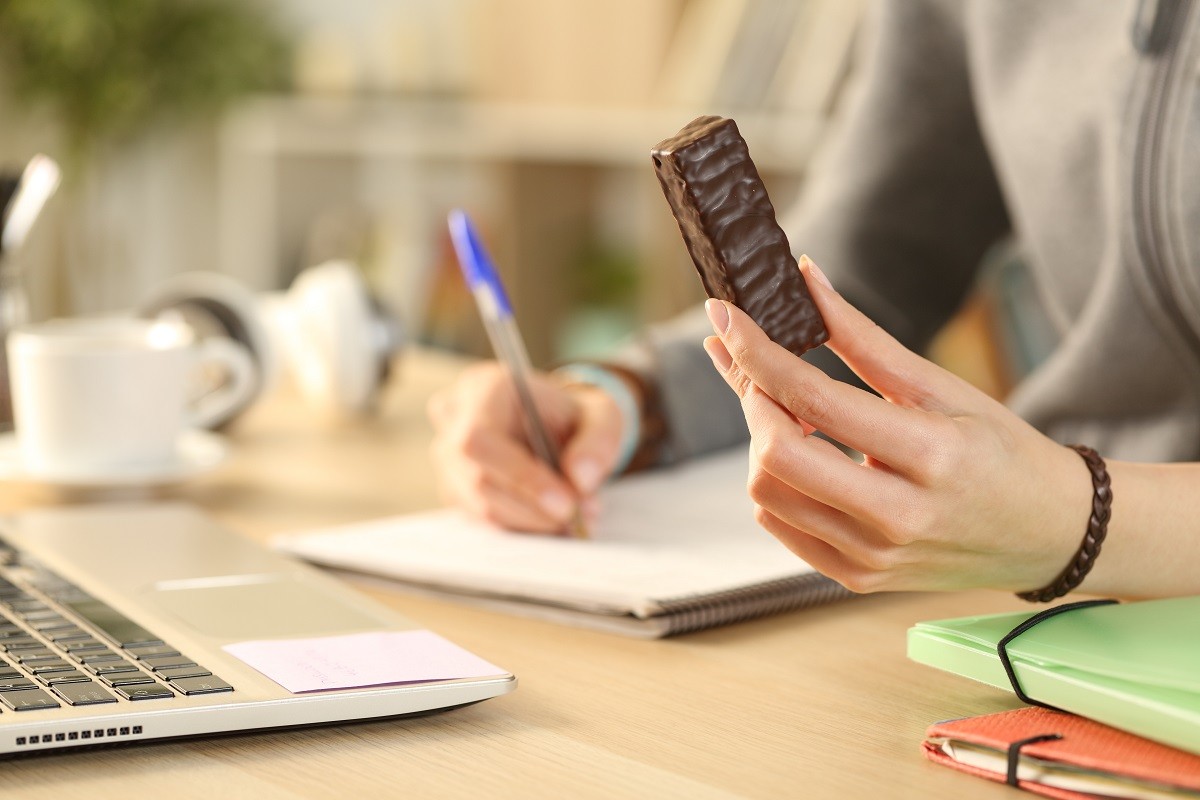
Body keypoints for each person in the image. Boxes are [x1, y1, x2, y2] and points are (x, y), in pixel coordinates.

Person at [427, 0, 1200, 601]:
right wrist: (628, 403)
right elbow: (858, 289)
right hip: (1061, 600)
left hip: (1066, 553)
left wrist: (1074, 517)